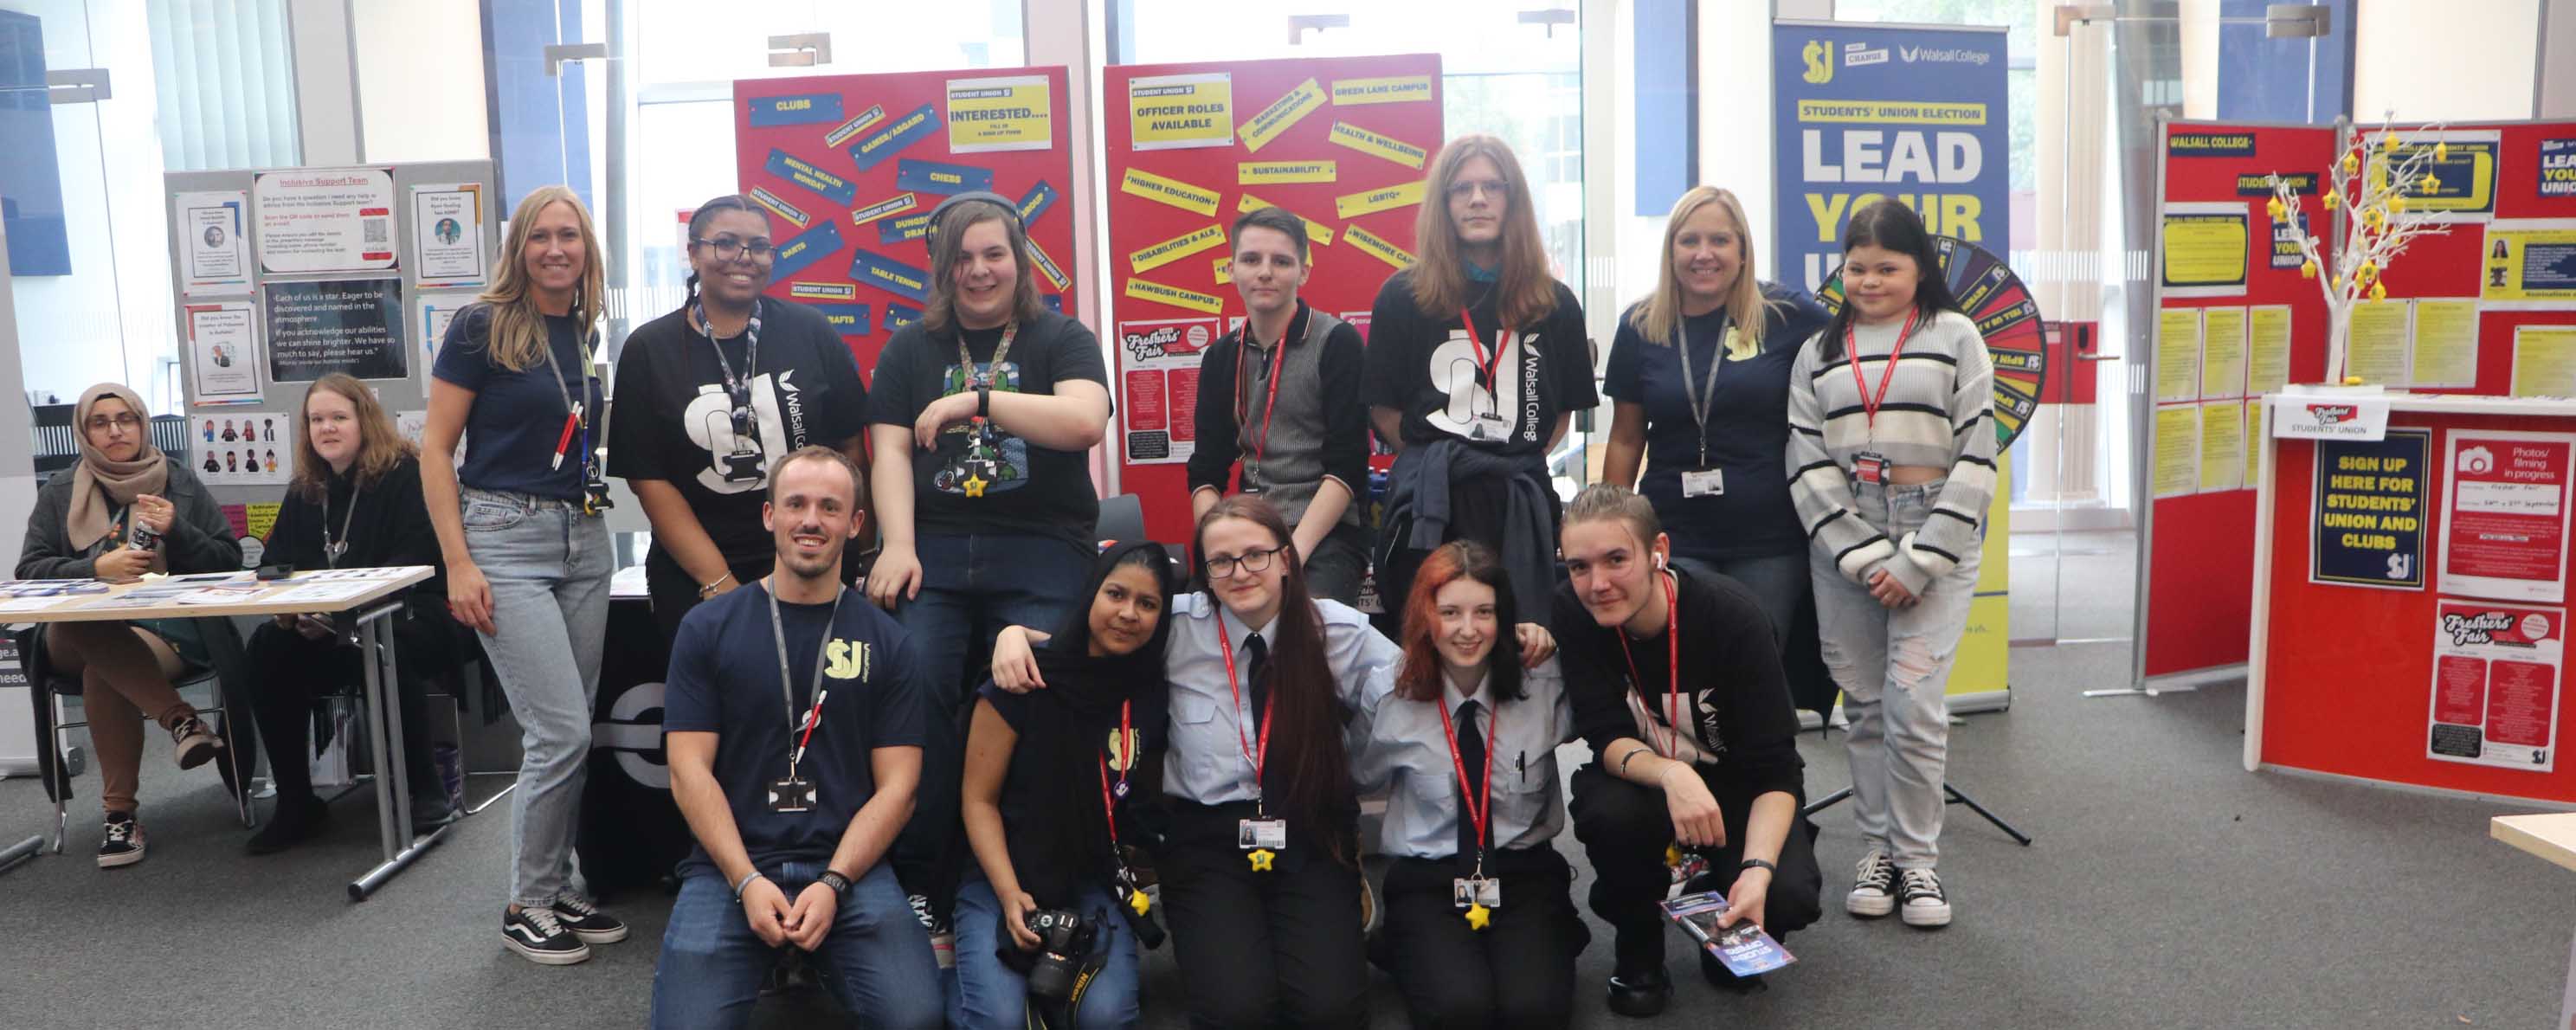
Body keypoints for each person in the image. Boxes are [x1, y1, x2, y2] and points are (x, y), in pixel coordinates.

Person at [992, 496, 1391, 1027]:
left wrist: (1524, 642)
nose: (1240, 572)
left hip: (1310, 833)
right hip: (1206, 842)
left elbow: (1429, 677)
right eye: (1220, 561)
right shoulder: (1175, 626)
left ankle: (1342, 902)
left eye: (1256, 555)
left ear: (1286, 558)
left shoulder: (1340, 633)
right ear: (1204, 572)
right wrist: (1013, 635)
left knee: (1330, 1010)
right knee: (1236, 1010)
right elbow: (1089, 641)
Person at [865, 190, 1111, 943]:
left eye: (993, 254)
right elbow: (891, 451)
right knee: (921, 693)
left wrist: (979, 400)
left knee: (1030, 695)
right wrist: (897, 544)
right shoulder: (911, 348)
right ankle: (921, 881)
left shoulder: (1059, 336)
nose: (979, 271)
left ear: (1021, 258)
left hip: (1042, 545)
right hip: (935, 547)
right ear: (943, 267)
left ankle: (1038, 874)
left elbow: (1083, 422)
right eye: (962, 258)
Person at [649, 447, 938, 1028]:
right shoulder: (708, 628)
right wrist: (746, 879)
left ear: (856, 525)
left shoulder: (888, 641)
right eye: (797, 504)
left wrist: (834, 882)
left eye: (830, 508)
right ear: (769, 516)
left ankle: (815, 959)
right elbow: (688, 772)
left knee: (917, 1018)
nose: (811, 520)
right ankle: (792, 958)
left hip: (848, 866)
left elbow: (900, 789)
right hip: (730, 865)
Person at [422, 183, 626, 964]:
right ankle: (527, 902)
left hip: (582, 536)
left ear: (586, 247)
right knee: (559, 731)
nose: (555, 249)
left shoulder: (581, 326)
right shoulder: (482, 326)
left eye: (568, 236)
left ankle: (559, 878)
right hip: (503, 538)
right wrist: (459, 562)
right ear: (518, 246)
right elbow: (437, 450)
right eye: (540, 236)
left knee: (574, 726)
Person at [1787, 199, 1995, 931]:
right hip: (1847, 538)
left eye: (1888, 267)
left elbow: (1978, 451)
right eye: (1857, 267)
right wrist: (1866, 554)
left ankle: (1919, 863)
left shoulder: (1956, 335)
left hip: (1936, 530)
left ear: (1919, 268)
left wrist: (1919, 561)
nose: (1870, 280)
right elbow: (1805, 458)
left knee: (1914, 708)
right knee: (1867, 709)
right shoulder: (1819, 349)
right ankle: (1876, 851)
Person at [1553, 485, 1822, 1017]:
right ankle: (1639, 944)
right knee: (1609, 812)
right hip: (1650, 783)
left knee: (1787, 892)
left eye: (1616, 560)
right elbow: (1606, 738)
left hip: (1742, 786)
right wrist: (1674, 776)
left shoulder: (1732, 618)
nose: (1597, 584)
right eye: (1579, 566)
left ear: (1659, 551)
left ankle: (1720, 888)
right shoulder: (1573, 612)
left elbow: (1775, 769)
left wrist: (1758, 870)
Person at [610, 193, 872, 643]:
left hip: (814, 566)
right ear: (692, 253)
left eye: (759, 246)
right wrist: (721, 585)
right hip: (697, 577)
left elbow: (851, 449)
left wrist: (857, 555)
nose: (743, 258)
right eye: (725, 243)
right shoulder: (649, 349)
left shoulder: (812, 332)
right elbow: (648, 480)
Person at [1353, 540, 1585, 1028]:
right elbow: (1356, 776)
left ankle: (1548, 936)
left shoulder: (1543, 683)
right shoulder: (1388, 693)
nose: (1467, 630)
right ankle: (1405, 944)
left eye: (1484, 612)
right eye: (1450, 612)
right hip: (1429, 878)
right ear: (1424, 616)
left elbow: (1612, 707)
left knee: (1534, 1012)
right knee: (1461, 1010)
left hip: (1523, 872)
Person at [951, 541, 1180, 1028]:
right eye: (1115, 594)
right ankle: (962, 978)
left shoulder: (1150, 694)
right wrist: (1010, 894)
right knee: (997, 1020)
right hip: (1000, 875)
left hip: (1092, 879)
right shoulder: (1024, 676)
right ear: (1090, 594)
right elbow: (978, 799)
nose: (1128, 614)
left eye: (1148, 604)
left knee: (1107, 1016)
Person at [1365, 133, 1598, 612]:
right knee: (1433, 638)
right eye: (1461, 187)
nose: (1477, 199)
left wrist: (1502, 460)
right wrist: (1446, 461)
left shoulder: (1555, 303)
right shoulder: (1402, 296)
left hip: (1520, 498)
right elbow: (1384, 409)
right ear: (1443, 202)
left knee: (1525, 641)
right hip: (1429, 499)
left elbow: (1560, 416)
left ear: (1513, 199)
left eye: (1493, 186)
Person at [16, 383, 242, 868]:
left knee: (106, 671)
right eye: (100, 422)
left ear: (142, 424)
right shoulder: (61, 490)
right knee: (84, 622)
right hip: (71, 637)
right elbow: (29, 569)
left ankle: (119, 818)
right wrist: (94, 571)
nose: (115, 430)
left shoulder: (176, 481)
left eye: (126, 419)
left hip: (161, 631)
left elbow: (227, 559)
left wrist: (177, 529)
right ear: (84, 431)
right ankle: (181, 720)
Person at [1600, 186, 1832, 647]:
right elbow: (1626, 438)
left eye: (1720, 241)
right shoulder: (1640, 326)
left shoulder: (1789, 316)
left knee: (1757, 665)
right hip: (1674, 532)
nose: (1704, 254)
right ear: (1671, 251)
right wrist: (1610, 525)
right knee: (1684, 664)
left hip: (1769, 535)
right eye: (1690, 241)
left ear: (1743, 251)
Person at [242, 375, 460, 853]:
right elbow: (274, 564)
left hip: (412, 613)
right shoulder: (308, 487)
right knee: (266, 648)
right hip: (327, 625)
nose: (327, 428)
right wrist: (291, 611)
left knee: (383, 645)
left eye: (339, 417)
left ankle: (425, 790)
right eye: (317, 420)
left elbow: (418, 561)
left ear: (364, 420)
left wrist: (341, 611)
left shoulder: (407, 473)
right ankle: (297, 802)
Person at [1187, 206, 1371, 605]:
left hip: (1324, 535)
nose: (1265, 271)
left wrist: (1292, 555)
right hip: (1247, 532)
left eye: (1281, 261)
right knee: (1191, 618)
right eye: (1251, 259)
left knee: (1307, 625)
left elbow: (1348, 467)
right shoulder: (1220, 357)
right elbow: (1205, 472)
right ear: (1232, 268)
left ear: (1303, 272)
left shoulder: (1337, 343)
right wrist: (1216, 549)